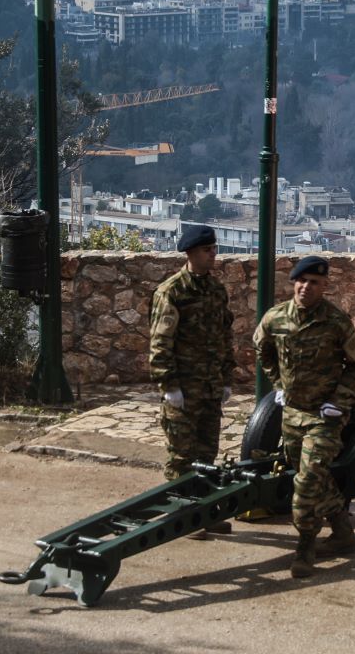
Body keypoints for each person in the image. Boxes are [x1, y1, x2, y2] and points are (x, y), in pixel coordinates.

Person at [253, 255, 355, 579]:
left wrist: (340, 401)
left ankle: (305, 549)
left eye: (315, 283)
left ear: (325, 286)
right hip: (292, 414)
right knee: (311, 475)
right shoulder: (276, 319)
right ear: (294, 282)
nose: (306, 288)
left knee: (306, 481)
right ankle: (343, 533)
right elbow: (262, 349)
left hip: (324, 417)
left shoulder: (335, 322)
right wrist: (278, 384)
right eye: (302, 281)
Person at [149, 224, 236, 538]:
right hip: (184, 389)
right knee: (181, 457)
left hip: (210, 387)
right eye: (206, 250)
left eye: (214, 249)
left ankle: (203, 513)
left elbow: (225, 336)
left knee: (206, 454)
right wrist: (169, 386)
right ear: (190, 253)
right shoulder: (171, 292)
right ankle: (181, 517)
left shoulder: (216, 290)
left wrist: (226, 378)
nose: (213, 254)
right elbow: (160, 344)